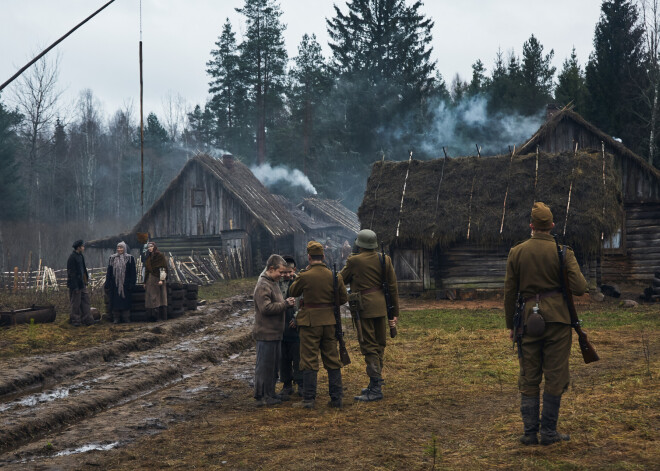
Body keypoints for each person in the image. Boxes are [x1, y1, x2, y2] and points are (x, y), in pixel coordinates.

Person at [504, 202, 588, 446]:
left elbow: (509, 293)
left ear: (531, 226)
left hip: (527, 321)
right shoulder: (563, 252)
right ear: (551, 225)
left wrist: (511, 325)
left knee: (529, 375)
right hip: (559, 322)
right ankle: (549, 434)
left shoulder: (516, 252)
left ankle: (530, 433)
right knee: (555, 375)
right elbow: (581, 288)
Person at [340, 229, 399, 402]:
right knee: (380, 343)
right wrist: (394, 312)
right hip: (381, 306)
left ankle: (375, 387)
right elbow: (393, 286)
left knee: (369, 345)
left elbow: (341, 279)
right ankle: (375, 384)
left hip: (363, 308)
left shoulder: (354, 260)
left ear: (359, 244)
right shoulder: (384, 259)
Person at [288, 241, 348, 409]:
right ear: (323, 256)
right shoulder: (334, 275)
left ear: (309, 257)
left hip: (309, 323)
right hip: (330, 321)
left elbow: (293, 292)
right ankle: (336, 398)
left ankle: (308, 399)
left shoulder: (304, 275)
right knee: (332, 359)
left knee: (309, 360)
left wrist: (302, 275)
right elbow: (343, 298)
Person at [253, 254, 296, 407]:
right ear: (271, 269)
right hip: (266, 333)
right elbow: (265, 308)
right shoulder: (263, 284)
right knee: (265, 366)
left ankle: (270, 393)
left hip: (275, 333)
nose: (283, 275)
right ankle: (262, 396)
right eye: (281, 272)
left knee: (272, 366)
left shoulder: (272, 282)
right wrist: (285, 304)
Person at [278, 255, 303, 398]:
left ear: (294, 269)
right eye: (284, 272)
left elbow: (305, 301)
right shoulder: (276, 284)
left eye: (290, 271)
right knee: (283, 358)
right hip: (281, 328)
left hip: (296, 327)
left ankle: (301, 384)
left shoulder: (300, 282)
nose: (287, 275)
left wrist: (297, 318)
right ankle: (287, 385)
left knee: (298, 357)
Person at [105, 241, 137, 324]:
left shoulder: (130, 258)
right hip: (115, 284)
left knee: (125, 301)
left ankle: (126, 317)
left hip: (126, 284)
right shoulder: (112, 258)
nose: (119, 249)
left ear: (125, 248)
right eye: (118, 248)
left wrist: (131, 284)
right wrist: (107, 283)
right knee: (115, 302)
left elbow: (133, 273)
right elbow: (109, 272)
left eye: (121, 247)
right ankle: (116, 318)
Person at [66, 239, 96, 326]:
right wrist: (75, 287)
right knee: (75, 303)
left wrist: (85, 280)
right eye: (82, 246)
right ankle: (75, 321)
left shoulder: (80, 256)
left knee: (85, 301)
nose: (83, 247)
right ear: (78, 247)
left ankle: (88, 320)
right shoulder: (72, 258)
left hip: (82, 283)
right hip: (75, 285)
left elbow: (83, 270)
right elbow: (71, 273)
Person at [144, 241, 168, 321]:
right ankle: (152, 317)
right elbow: (147, 270)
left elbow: (163, 268)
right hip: (150, 280)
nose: (150, 248)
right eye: (148, 247)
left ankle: (161, 317)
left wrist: (161, 279)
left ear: (154, 247)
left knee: (160, 297)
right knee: (151, 298)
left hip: (158, 278)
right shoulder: (148, 257)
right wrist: (145, 282)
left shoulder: (160, 255)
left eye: (151, 247)